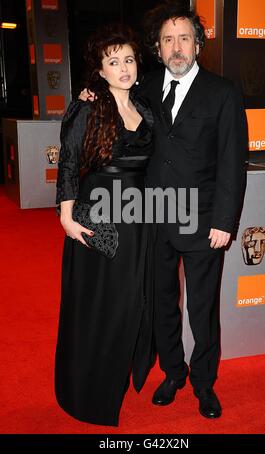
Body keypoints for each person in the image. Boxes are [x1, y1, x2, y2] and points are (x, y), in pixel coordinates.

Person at [80, 0, 248, 419]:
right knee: (161, 302)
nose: (177, 47)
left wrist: (225, 221)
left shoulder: (223, 93)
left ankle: (204, 382)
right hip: (151, 217)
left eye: (185, 38)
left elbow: (232, 161)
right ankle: (172, 371)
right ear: (158, 47)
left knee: (202, 308)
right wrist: (90, 91)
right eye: (168, 39)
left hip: (203, 221)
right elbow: (113, 95)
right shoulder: (146, 87)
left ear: (198, 44)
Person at [55, 23, 154, 426]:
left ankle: (120, 370)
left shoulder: (147, 108)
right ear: (100, 68)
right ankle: (89, 389)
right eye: (113, 62)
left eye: (128, 59)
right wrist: (65, 215)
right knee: (98, 305)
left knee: (131, 301)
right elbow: (68, 160)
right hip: (98, 218)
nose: (123, 67)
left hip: (139, 218)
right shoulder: (87, 106)